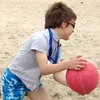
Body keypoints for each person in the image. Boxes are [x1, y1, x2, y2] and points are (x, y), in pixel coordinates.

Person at [1, 2, 87, 100]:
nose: (73, 30)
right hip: (14, 80)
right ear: (64, 24)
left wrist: (76, 86)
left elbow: (57, 75)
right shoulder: (41, 38)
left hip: (32, 81)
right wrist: (68, 64)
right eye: (73, 25)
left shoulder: (57, 46)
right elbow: (44, 69)